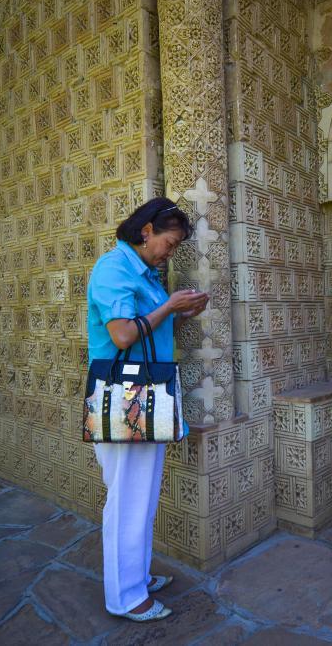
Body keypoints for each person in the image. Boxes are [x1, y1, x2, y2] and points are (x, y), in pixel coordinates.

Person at [86, 198, 209, 622]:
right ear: (146, 232)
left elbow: (151, 330)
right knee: (127, 500)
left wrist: (182, 312)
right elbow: (122, 335)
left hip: (146, 394)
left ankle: (135, 576)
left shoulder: (145, 274)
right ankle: (125, 597)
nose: (169, 253)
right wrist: (169, 306)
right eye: (168, 243)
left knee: (141, 496)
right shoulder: (113, 269)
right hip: (124, 396)